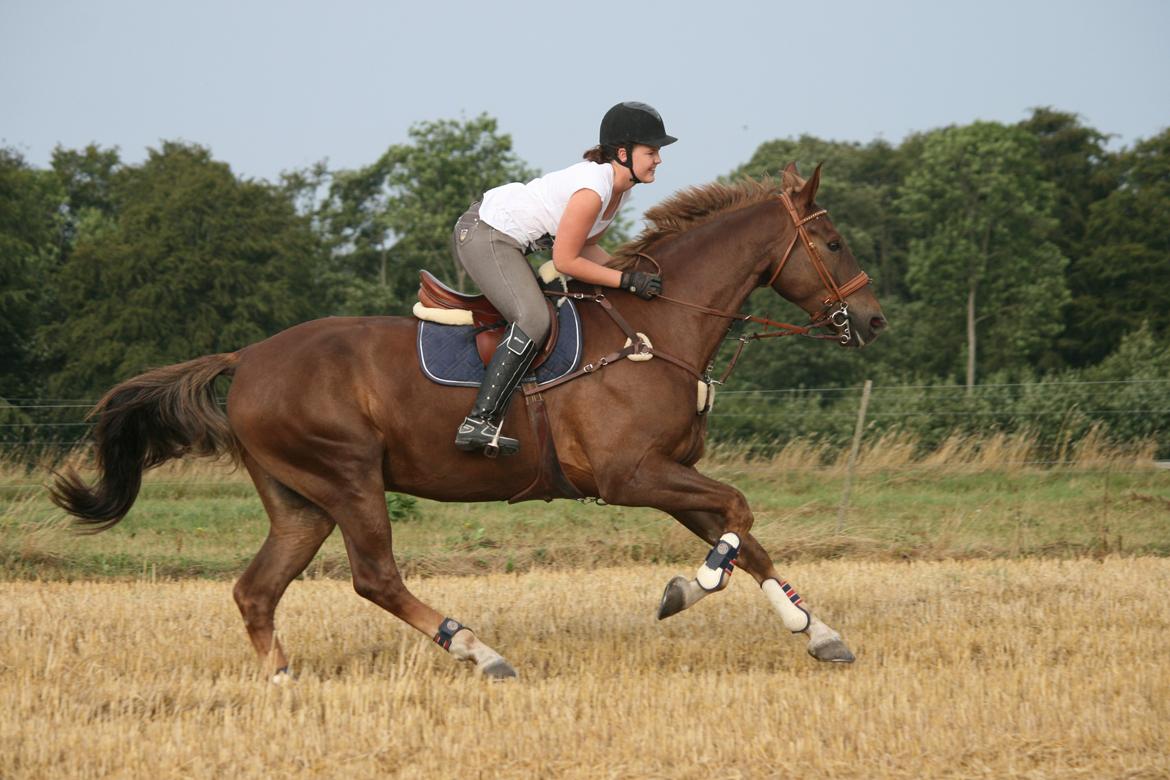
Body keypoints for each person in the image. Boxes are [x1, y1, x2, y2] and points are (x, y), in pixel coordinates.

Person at [452, 101, 677, 456]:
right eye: (652, 151)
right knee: (534, 318)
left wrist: (631, 277)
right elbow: (566, 260)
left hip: (508, 242)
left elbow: (586, 249)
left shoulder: (619, 191)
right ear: (623, 153)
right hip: (486, 235)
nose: (659, 160)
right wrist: (626, 281)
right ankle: (479, 420)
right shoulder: (594, 190)